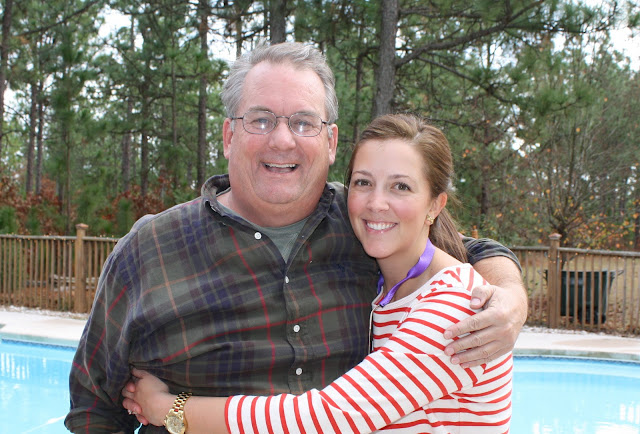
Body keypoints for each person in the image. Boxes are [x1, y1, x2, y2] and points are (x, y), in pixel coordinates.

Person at [65, 42, 525, 434]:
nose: (282, 140)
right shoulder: (150, 249)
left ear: (331, 141)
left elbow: (468, 251)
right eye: (261, 120)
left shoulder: (365, 222)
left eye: (304, 122)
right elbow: (94, 410)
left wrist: (509, 296)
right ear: (228, 135)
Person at [121, 113, 513, 433]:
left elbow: (326, 417)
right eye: (363, 183)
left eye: (401, 187)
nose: (377, 203)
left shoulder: (456, 304)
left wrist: (170, 409)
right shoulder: (386, 289)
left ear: (435, 205)